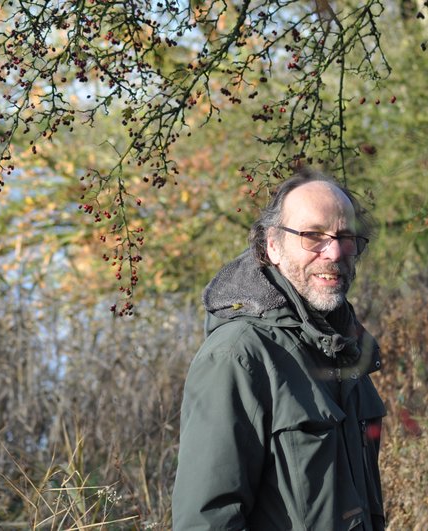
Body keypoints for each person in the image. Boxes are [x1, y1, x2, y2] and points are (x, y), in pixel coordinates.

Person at [171, 167, 386, 530]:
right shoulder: (238, 356)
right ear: (272, 245)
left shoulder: (345, 349)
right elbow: (205, 520)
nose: (333, 252)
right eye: (313, 236)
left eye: (345, 237)